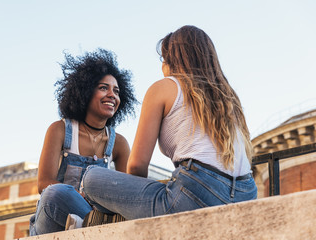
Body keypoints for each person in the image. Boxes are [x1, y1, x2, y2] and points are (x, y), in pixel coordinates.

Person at [81, 25, 257, 220]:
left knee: (91, 177)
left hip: (196, 194)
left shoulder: (165, 87)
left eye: (163, 60)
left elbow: (137, 166)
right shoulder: (229, 98)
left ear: (172, 60)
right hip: (246, 193)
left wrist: (130, 200)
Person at [29, 49, 137, 235]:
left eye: (116, 91)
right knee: (55, 192)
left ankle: (90, 225)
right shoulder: (60, 129)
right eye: (104, 88)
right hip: (54, 216)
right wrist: (82, 199)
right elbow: (44, 183)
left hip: (93, 216)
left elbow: (127, 193)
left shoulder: (119, 143)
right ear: (85, 92)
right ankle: (93, 225)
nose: (112, 95)